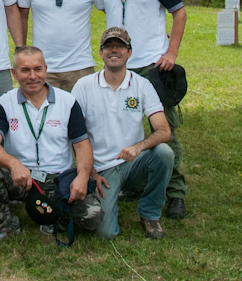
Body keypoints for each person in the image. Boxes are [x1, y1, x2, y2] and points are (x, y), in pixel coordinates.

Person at [97, 0, 190, 220]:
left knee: (166, 132)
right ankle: (135, 181)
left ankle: (175, 193)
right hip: (118, 65)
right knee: (122, 127)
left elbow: (179, 13)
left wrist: (171, 52)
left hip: (152, 66)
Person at [0, 46, 101, 242]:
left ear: (46, 69)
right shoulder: (4, 104)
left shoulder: (68, 102)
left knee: (93, 217)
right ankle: (6, 223)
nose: (32, 76)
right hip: (20, 178)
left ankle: (52, 218)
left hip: (56, 179)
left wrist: (83, 176)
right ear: (14, 73)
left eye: (37, 69)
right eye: (25, 70)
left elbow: (82, 145)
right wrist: (14, 164)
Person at [72, 28, 173, 240]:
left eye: (120, 46)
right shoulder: (83, 86)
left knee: (164, 153)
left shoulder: (142, 85)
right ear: (100, 53)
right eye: (109, 46)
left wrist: (138, 147)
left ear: (130, 52)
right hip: (101, 170)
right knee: (105, 233)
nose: (114, 50)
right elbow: (73, 136)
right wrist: (89, 172)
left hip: (134, 162)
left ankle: (149, 214)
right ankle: (109, 196)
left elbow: (164, 131)